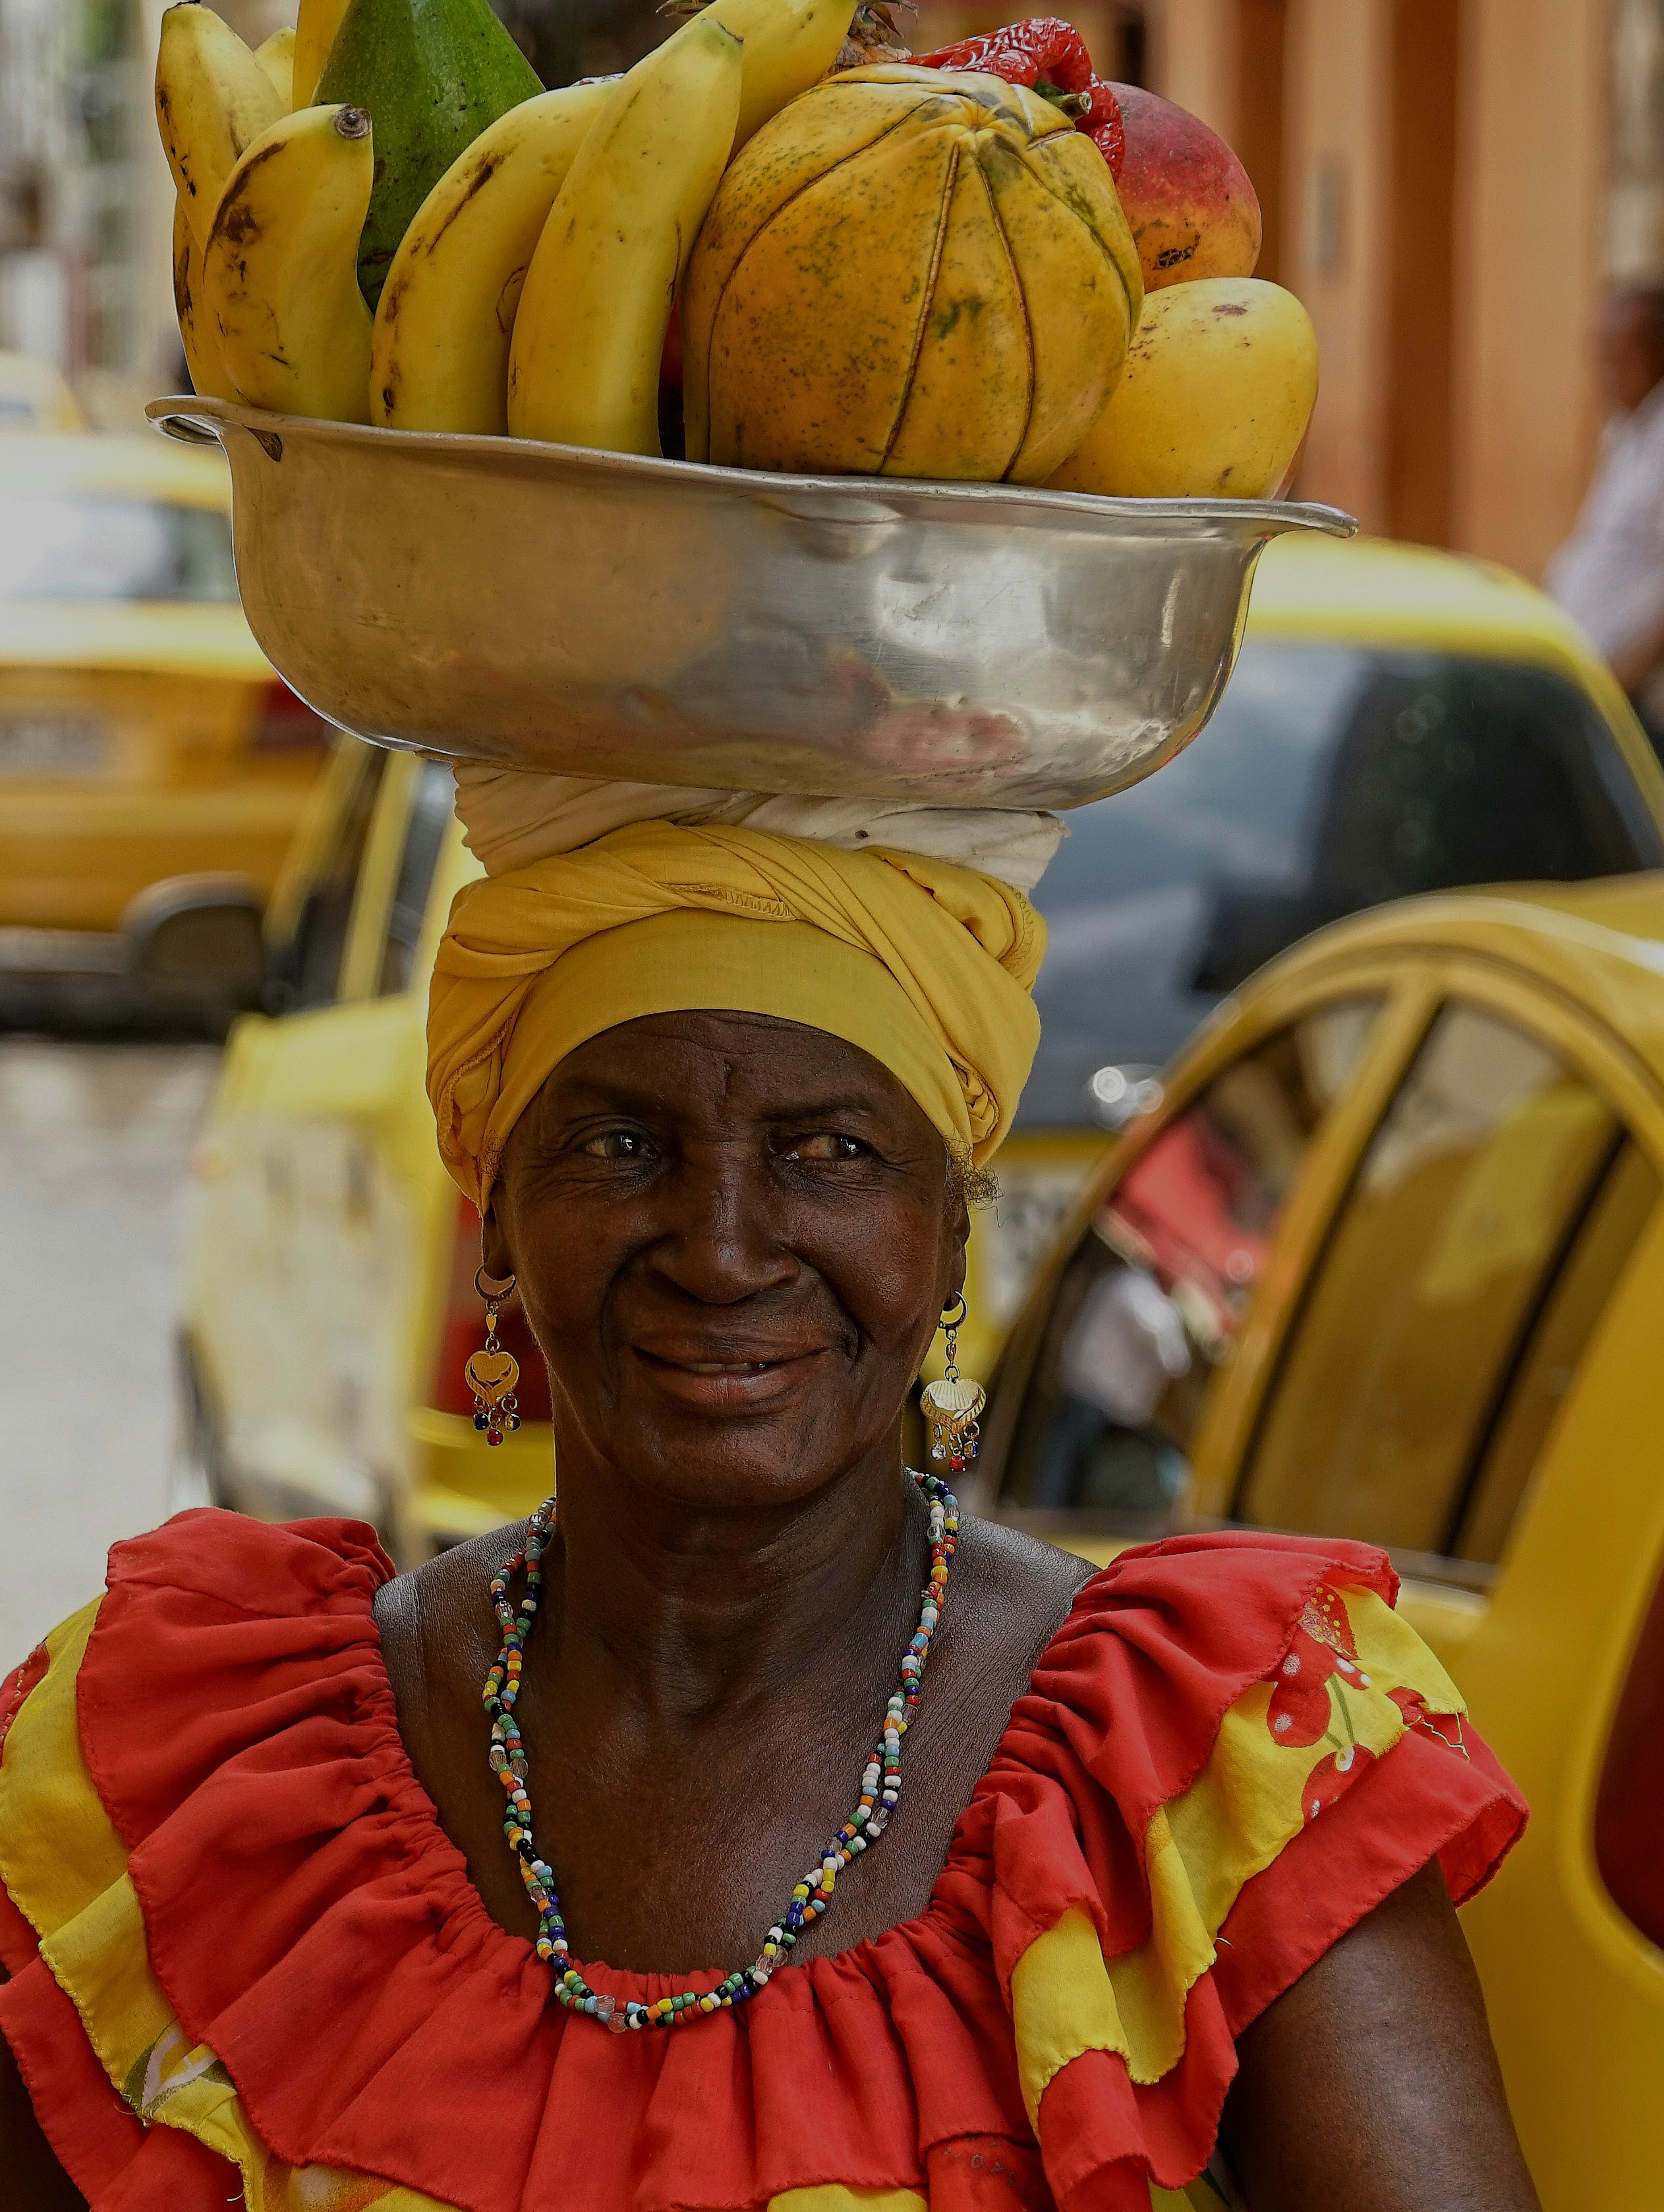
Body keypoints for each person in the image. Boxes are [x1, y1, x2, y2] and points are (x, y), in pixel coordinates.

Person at [0, 793, 1540, 2211]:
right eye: (619, 1143)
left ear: (944, 1232)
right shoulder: (197, 1761)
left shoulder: (1207, 1771)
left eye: (827, 1150)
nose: (723, 1244)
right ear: (498, 1225)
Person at [1546, 283, 1664, 749]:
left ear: (1655, 353)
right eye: (1599, 353)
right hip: (1584, 675)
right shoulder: (1628, 431)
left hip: (1621, 696)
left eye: (1616, 354)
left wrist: (1620, 683)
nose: (1604, 370)